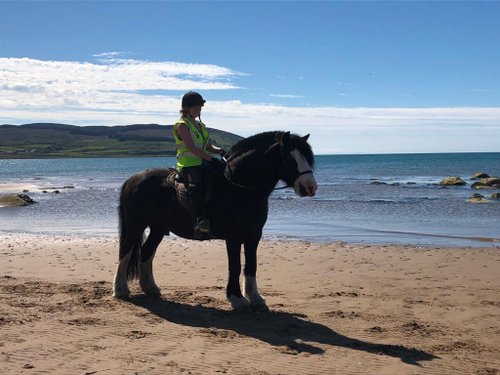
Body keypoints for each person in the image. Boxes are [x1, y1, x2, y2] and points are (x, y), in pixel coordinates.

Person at [173, 91, 225, 239]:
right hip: (189, 165)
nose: (199, 110)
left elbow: (208, 146)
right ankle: (199, 220)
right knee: (197, 186)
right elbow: (192, 148)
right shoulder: (182, 125)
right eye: (196, 107)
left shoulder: (200, 125)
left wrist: (220, 151)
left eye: (200, 107)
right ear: (186, 108)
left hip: (202, 161)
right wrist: (210, 159)